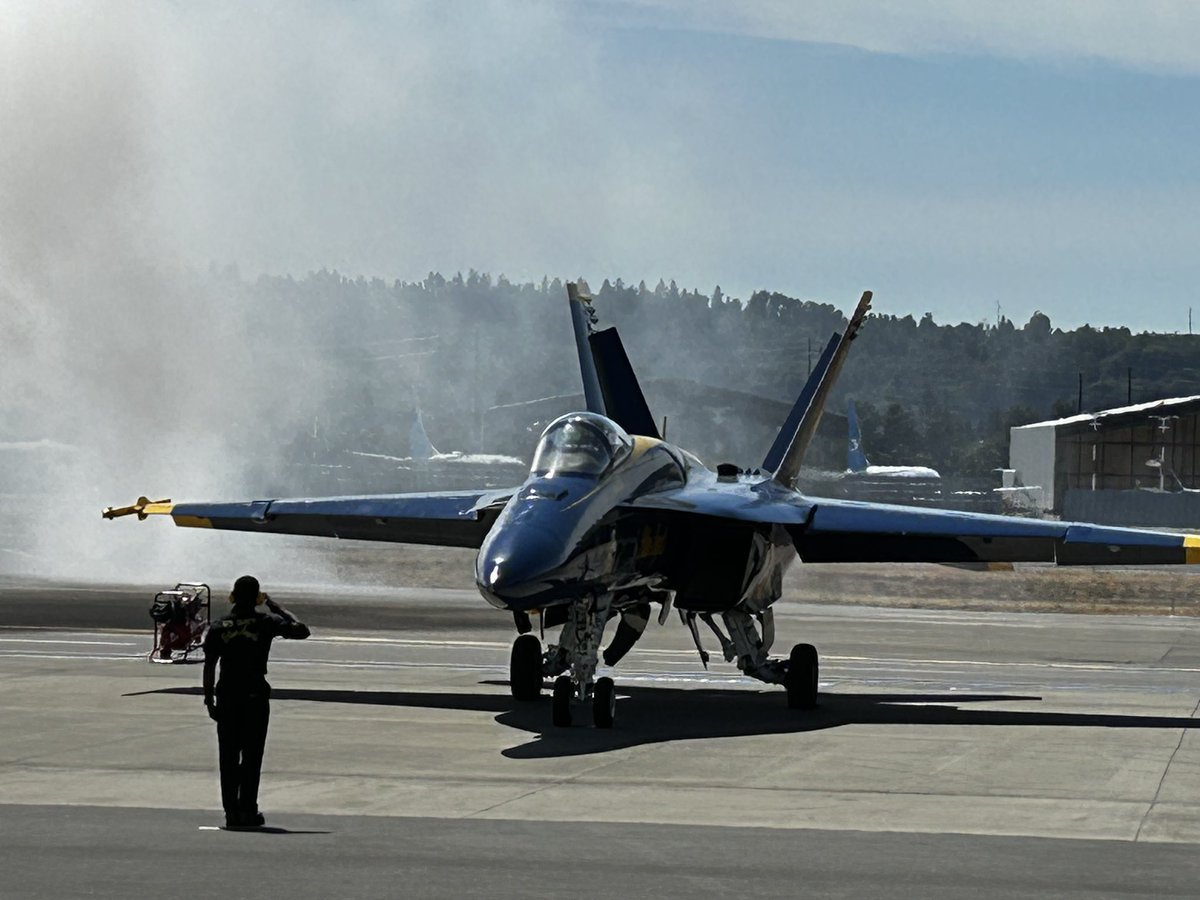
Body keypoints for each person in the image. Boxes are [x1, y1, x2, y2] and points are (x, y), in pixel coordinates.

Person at [202, 575, 310, 829]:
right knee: (252, 756)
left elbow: (209, 666)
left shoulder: (218, 626)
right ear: (257, 598)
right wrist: (275, 607)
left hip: (227, 695)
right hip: (254, 695)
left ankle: (231, 813)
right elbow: (301, 630)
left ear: (232, 596)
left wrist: (209, 699)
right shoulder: (266, 622)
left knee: (228, 758)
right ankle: (248, 810)